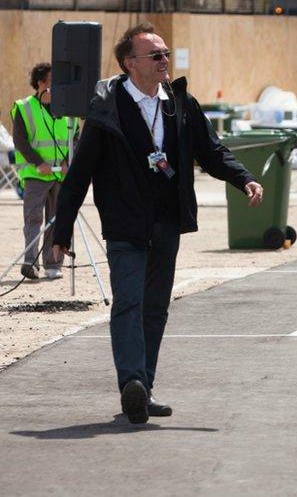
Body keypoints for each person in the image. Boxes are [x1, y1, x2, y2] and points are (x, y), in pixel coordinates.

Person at [51, 22, 264, 424]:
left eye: (166, 52)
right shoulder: (106, 111)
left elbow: (212, 151)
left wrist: (245, 178)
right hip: (125, 225)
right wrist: (62, 231)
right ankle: (131, 382)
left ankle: (142, 391)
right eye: (156, 55)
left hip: (167, 223)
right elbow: (79, 174)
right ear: (131, 64)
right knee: (129, 303)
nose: (165, 60)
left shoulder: (180, 103)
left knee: (155, 310)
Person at [11, 62, 78, 280]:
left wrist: (69, 159)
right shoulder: (24, 107)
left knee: (57, 220)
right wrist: (39, 162)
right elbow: (20, 141)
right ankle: (30, 263)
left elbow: (74, 138)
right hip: (35, 173)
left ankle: (53, 264)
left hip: (60, 174)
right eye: (52, 79)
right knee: (33, 219)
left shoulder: (68, 109)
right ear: (41, 82)